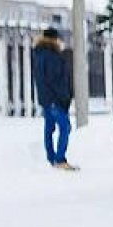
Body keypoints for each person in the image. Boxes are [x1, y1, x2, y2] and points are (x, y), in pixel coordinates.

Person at [31, 27, 75, 170]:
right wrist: (65, 96)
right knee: (65, 127)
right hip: (56, 98)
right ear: (55, 39)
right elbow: (57, 79)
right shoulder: (52, 56)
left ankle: (51, 158)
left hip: (45, 98)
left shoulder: (39, 54)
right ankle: (60, 159)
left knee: (49, 128)